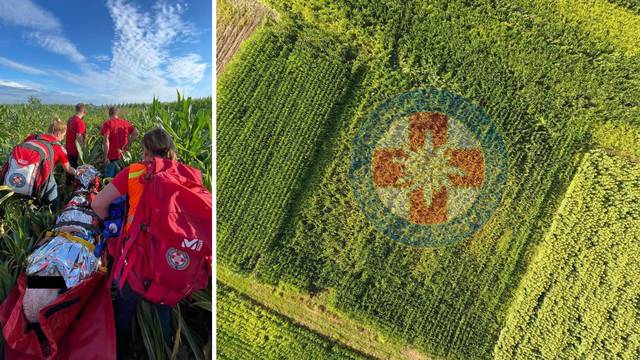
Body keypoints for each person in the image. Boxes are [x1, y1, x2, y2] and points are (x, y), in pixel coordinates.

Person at [91, 128, 177, 346]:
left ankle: (121, 346)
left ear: (146, 151)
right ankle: (163, 349)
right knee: (163, 309)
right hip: (169, 258)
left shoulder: (134, 172)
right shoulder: (182, 174)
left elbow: (98, 204)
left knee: (125, 300)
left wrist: (110, 225)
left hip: (137, 255)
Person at [24, 117, 77, 209]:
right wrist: (77, 172)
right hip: (41, 176)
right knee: (54, 198)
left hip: (23, 171)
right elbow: (68, 169)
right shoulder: (58, 147)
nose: (63, 138)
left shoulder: (33, 137)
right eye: (63, 135)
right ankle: (53, 216)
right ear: (58, 133)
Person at [100, 107, 138, 178]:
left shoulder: (107, 124)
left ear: (109, 113)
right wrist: (128, 143)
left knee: (109, 180)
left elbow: (106, 141)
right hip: (124, 156)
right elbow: (136, 133)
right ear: (117, 113)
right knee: (122, 179)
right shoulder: (126, 123)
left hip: (111, 156)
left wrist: (105, 157)